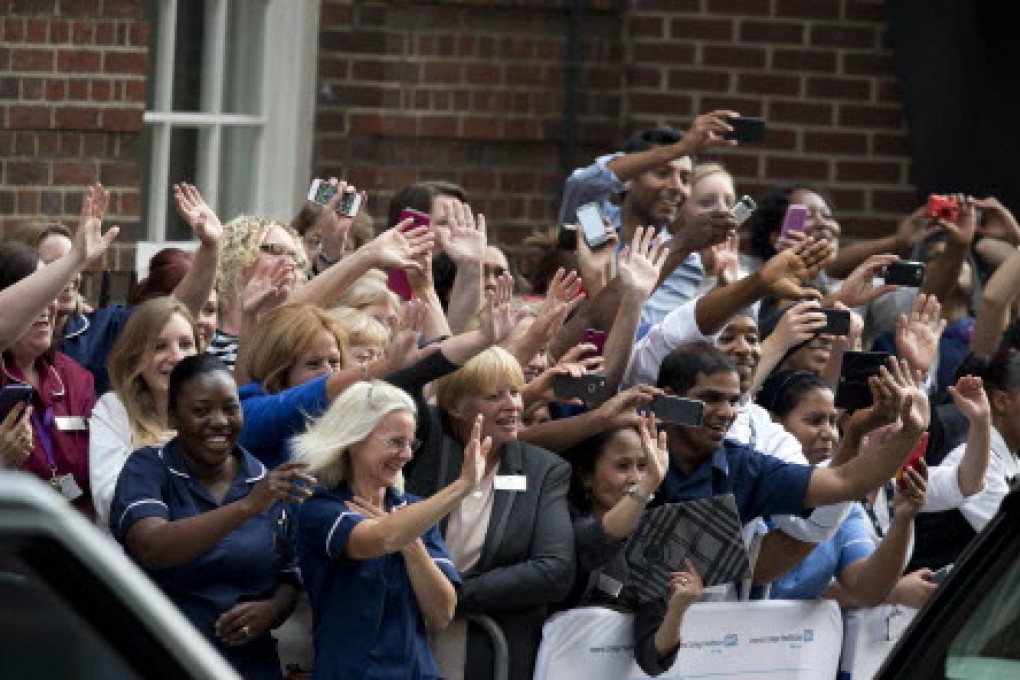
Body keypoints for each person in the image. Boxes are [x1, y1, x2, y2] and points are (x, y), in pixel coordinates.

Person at [109, 354, 313, 679]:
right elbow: (149, 547)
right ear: (173, 416)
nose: (220, 421)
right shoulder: (148, 467)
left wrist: (273, 610)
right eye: (201, 410)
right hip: (161, 658)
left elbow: (290, 575)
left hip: (248, 666)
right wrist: (245, 507)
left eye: (231, 408)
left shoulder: (265, 480)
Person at [293, 381, 489, 679]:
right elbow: (380, 538)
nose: (407, 455)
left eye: (411, 443)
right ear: (354, 439)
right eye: (396, 442)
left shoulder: (414, 510)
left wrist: (412, 545)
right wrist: (462, 486)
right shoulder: (321, 509)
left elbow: (442, 614)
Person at [403, 346, 575, 680]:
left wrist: (447, 595)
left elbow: (555, 571)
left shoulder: (543, 470)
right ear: (454, 406)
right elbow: (401, 385)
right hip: (407, 642)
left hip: (491, 654)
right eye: (494, 396)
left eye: (516, 392)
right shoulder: (427, 447)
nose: (513, 404)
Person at [757, 370, 935, 609]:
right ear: (773, 425)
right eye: (813, 420)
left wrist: (903, 520)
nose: (828, 434)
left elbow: (867, 589)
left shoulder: (844, 507)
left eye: (831, 421)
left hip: (805, 644)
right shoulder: (752, 488)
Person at [558, 111, 740, 324]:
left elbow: (644, 330)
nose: (676, 187)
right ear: (629, 179)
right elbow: (583, 185)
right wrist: (681, 149)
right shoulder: (597, 226)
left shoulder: (686, 261)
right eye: (662, 173)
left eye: (685, 178)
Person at [563, 412, 704, 676]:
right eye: (622, 466)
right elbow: (590, 547)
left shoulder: (655, 549)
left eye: (644, 466)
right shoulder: (559, 520)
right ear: (586, 476)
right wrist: (649, 484)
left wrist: (677, 609)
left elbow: (653, 659)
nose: (636, 478)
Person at [0, 242, 97, 518]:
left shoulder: (76, 379)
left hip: (74, 538)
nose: (44, 306)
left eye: (48, 292)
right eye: (31, 295)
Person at [89, 297, 200, 528]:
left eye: (186, 344)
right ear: (135, 356)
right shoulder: (113, 408)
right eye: (160, 346)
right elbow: (109, 503)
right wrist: (159, 459)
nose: (177, 356)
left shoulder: (216, 413)